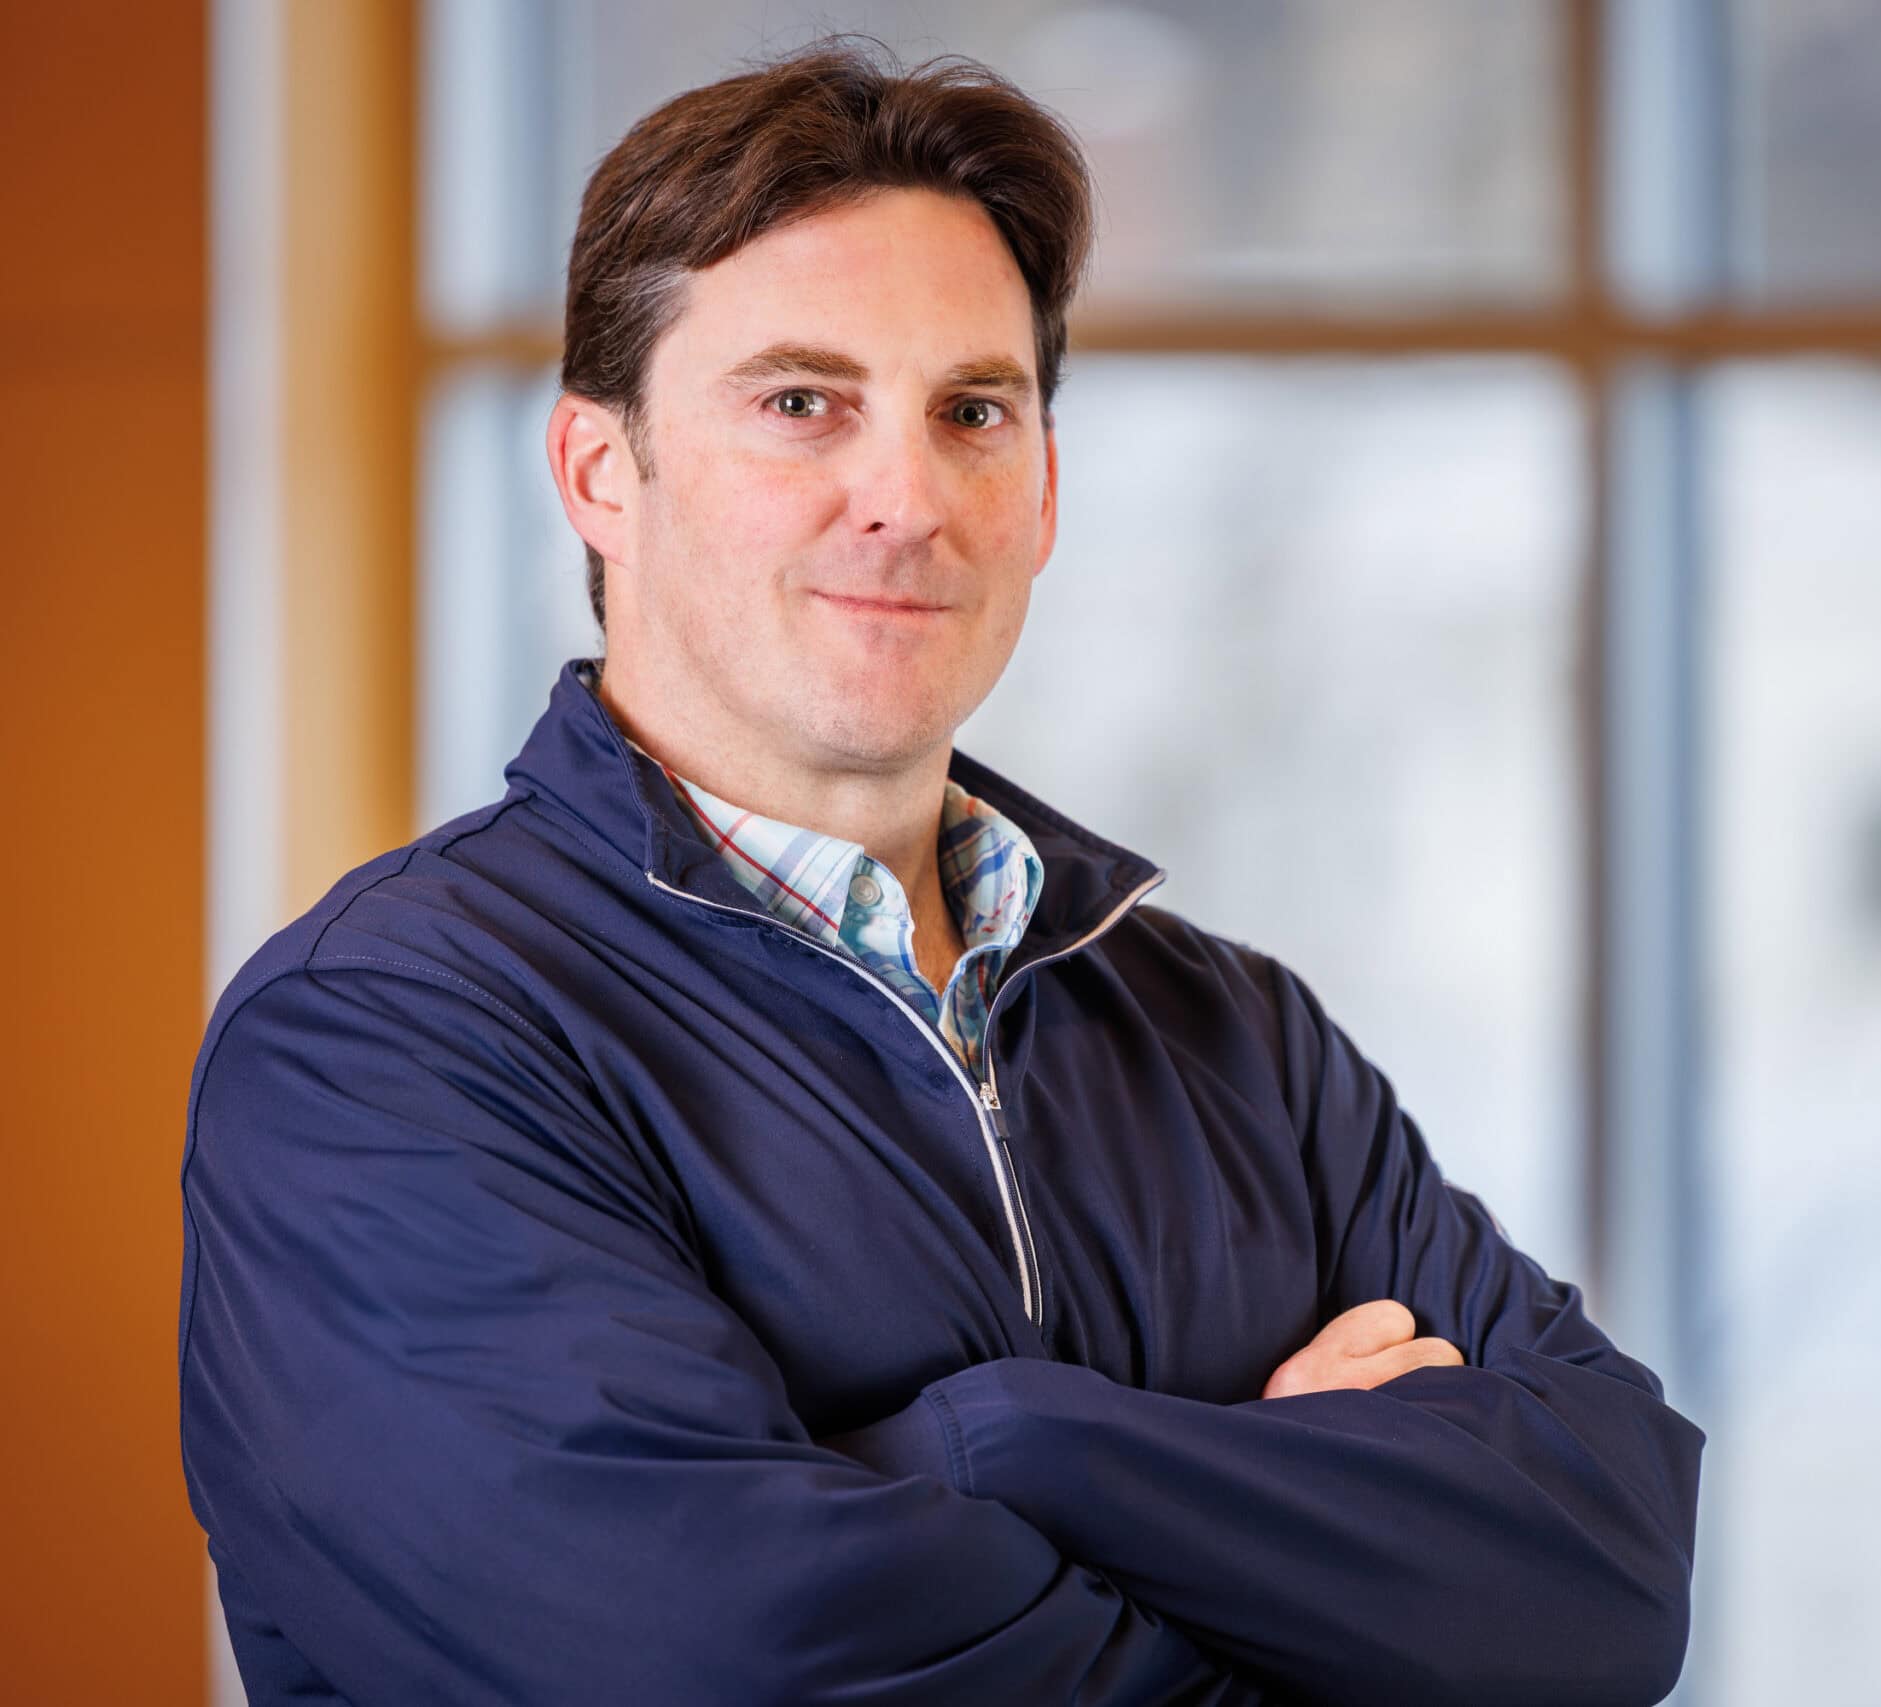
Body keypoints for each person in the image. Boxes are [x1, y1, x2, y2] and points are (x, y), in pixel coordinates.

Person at [177, 37, 1703, 1707]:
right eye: (799, 403)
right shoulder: (387, 1042)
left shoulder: (1230, 1036)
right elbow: (721, 1663)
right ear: (602, 473)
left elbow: (1604, 1578)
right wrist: (1289, 1546)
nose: (904, 499)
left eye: (973, 412)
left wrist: (1001, 1445)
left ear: (1042, 489)